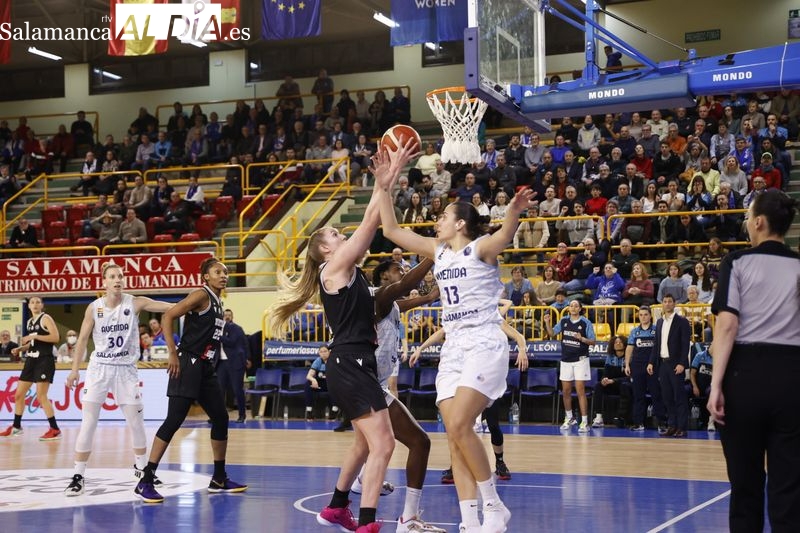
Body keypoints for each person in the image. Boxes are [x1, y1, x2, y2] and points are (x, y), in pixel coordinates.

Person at [269, 140, 416, 532]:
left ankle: (337, 506)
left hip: (355, 363)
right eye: (335, 234)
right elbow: (371, 226)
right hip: (350, 364)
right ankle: (367, 523)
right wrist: (386, 181)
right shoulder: (332, 270)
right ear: (323, 250)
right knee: (383, 445)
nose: (341, 235)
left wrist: (386, 180)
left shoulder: (345, 270)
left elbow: (371, 215)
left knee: (366, 443)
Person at [376, 169, 534, 533]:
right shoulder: (438, 251)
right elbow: (391, 231)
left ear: (461, 222)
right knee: (454, 434)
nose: (437, 221)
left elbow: (505, 235)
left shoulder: (479, 248)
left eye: (443, 216)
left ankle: (493, 506)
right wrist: (383, 187)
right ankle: (469, 521)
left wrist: (513, 209)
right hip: (454, 347)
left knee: (462, 423)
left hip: (484, 341)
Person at [707, 189, 800, 532]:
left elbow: (727, 325)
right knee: (789, 487)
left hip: (745, 377)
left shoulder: (737, 262)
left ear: (759, 222)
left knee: (745, 486)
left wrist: (716, 384)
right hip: (792, 377)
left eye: (747, 217)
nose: (747, 223)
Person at [134, 258, 247, 503]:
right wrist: (173, 354)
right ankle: (146, 480)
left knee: (221, 417)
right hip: (187, 363)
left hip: (205, 366)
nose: (224, 275)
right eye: (218, 272)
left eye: (226, 272)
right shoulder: (200, 295)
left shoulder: (218, 302)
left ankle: (218, 478)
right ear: (205, 276)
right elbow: (169, 316)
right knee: (174, 420)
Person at [63, 263, 174, 496]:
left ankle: (142, 469)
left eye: (120, 276)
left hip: (125, 370)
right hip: (99, 368)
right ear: (104, 282)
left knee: (136, 423)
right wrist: (74, 370)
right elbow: (82, 340)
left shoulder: (135, 302)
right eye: (112, 276)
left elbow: (168, 307)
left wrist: (190, 306)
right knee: (89, 423)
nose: (117, 280)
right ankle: (78, 475)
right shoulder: (94, 308)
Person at [361, 258, 446, 532]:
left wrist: (437, 289)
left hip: (368, 382)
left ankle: (359, 479)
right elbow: (408, 285)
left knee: (366, 445)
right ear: (384, 275)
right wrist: (432, 253)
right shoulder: (378, 296)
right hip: (368, 383)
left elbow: (423, 298)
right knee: (420, 443)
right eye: (398, 269)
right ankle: (408, 519)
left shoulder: (391, 303)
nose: (404, 273)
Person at [0, 297, 61, 440]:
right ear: (28, 306)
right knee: (18, 395)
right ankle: (16, 427)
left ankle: (55, 429)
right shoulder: (29, 322)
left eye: (38, 302)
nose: (35, 304)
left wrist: (34, 336)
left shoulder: (46, 318)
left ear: (42, 305)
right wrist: (21, 348)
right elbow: (34, 343)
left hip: (44, 360)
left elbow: (55, 338)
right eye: (32, 302)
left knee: (41, 396)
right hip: (31, 360)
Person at [543, 299, 596, 433]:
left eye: (576, 306)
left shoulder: (585, 322)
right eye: (571, 306)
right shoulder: (563, 321)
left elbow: (593, 341)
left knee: (580, 390)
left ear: (580, 309)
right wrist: (547, 322)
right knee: (566, 391)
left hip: (580, 360)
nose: (573, 308)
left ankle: (584, 422)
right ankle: (569, 418)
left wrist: (582, 339)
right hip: (566, 360)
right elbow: (552, 334)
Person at [647, 294, 691, 438]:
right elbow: (656, 345)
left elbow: (685, 345)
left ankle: (682, 427)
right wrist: (651, 362)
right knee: (667, 397)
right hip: (662, 364)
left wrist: (682, 363)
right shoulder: (659, 322)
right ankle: (672, 425)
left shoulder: (682, 321)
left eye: (669, 301)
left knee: (679, 396)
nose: (667, 304)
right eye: (664, 301)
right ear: (662, 304)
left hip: (675, 364)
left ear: (674, 304)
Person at [624, 306, 665, 432]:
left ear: (650, 316)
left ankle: (662, 424)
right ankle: (638, 423)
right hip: (637, 366)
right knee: (638, 395)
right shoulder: (634, 331)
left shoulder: (656, 330)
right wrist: (627, 364)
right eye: (641, 315)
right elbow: (630, 348)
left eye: (645, 314)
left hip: (653, 366)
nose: (643, 317)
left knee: (656, 395)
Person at [217, 308, 249, 423]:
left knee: (237, 389)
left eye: (229, 315)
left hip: (235, 363)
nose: (227, 317)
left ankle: (242, 415)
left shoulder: (236, 328)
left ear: (232, 317)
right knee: (219, 391)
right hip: (221, 362)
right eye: (225, 315)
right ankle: (217, 416)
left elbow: (232, 342)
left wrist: (218, 337)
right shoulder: (218, 329)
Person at [593, 335, 631, 428]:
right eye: (616, 342)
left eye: (620, 342)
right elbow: (605, 373)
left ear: (625, 344)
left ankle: (621, 418)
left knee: (625, 386)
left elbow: (629, 377)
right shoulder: (610, 357)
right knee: (598, 386)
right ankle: (598, 418)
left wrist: (613, 381)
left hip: (624, 385)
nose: (618, 344)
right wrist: (604, 379)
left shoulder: (629, 357)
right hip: (611, 384)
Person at [304, 344, 338, 421]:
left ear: (329, 352)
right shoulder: (318, 361)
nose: (323, 353)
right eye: (321, 352)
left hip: (332, 384)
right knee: (308, 384)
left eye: (325, 351)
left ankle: (334, 411)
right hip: (320, 384)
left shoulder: (334, 360)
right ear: (319, 353)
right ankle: (309, 411)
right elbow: (308, 376)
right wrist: (313, 380)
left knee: (337, 385)